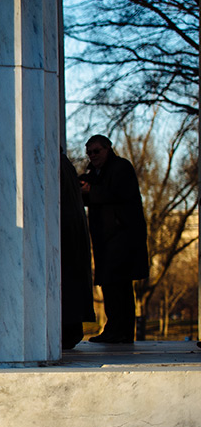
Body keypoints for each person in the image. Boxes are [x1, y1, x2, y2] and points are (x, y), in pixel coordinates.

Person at [79, 134, 149, 343]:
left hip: (121, 239)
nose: (92, 156)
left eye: (96, 151)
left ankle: (119, 331)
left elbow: (116, 194)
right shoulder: (98, 172)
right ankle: (118, 330)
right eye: (89, 152)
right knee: (113, 287)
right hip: (108, 240)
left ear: (108, 149)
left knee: (118, 287)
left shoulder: (120, 168)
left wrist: (90, 190)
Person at [60, 150, 94, 348]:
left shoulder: (56, 163)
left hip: (65, 231)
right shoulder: (65, 165)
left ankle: (69, 330)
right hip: (71, 230)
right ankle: (71, 329)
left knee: (68, 282)